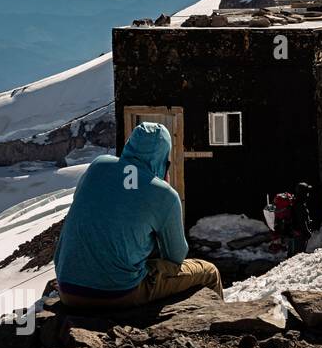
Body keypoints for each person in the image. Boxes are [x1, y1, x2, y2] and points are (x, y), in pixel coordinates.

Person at [54, 122, 223, 310]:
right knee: (209, 272)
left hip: (67, 289)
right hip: (116, 293)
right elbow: (175, 257)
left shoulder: (98, 166)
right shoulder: (164, 194)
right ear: (164, 159)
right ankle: (221, 327)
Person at [287, 182, 313, 257]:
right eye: (307, 191)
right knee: (297, 256)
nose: (308, 194)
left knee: (293, 255)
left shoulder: (297, 202)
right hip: (299, 234)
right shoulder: (299, 205)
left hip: (295, 234)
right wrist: (307, 232)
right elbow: (301, 221)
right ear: (303, 192)